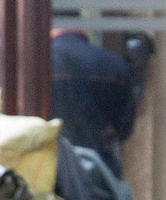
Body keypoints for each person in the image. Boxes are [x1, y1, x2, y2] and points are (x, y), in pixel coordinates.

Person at [50, 24, 136, 175]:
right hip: (100, 170)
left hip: (52, 169)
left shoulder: (37, 63)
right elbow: (124, 129)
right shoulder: (113, 63)